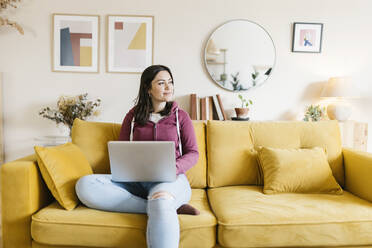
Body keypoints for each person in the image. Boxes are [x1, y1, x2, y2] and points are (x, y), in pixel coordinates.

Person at [75, 65, 200, 248]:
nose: (169, 87)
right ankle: (165, 207)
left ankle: (163, 204)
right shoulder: (132, 117)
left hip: (170, 180)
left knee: (161, 198)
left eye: (170, 82)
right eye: (161, 83)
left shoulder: (181, 117)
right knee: (84, 185)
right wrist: (124, 170)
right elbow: (122, 151)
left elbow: (193, 153)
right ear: (148, 89)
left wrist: (173, 168)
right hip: (135, 182)